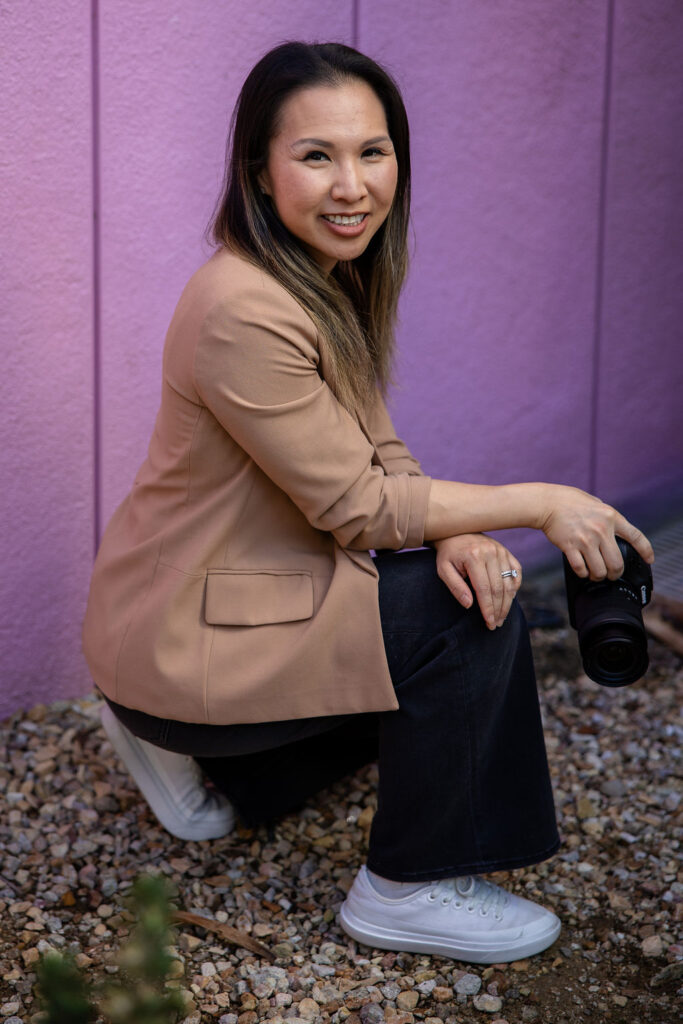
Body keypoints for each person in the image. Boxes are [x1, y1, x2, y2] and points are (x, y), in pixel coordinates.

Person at [82, 41, 654, 964]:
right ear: (259, 175)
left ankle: (206, 761)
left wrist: (460, 529)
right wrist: (540, 503)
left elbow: (375, 448)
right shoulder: (245, 307)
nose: (351, 185)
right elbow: (357, 505)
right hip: (185, 633)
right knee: (463, 620)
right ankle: (410, 887)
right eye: (316, 156)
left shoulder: (317, 275)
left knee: (452, 596)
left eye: (372, 151)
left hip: (203, 613)